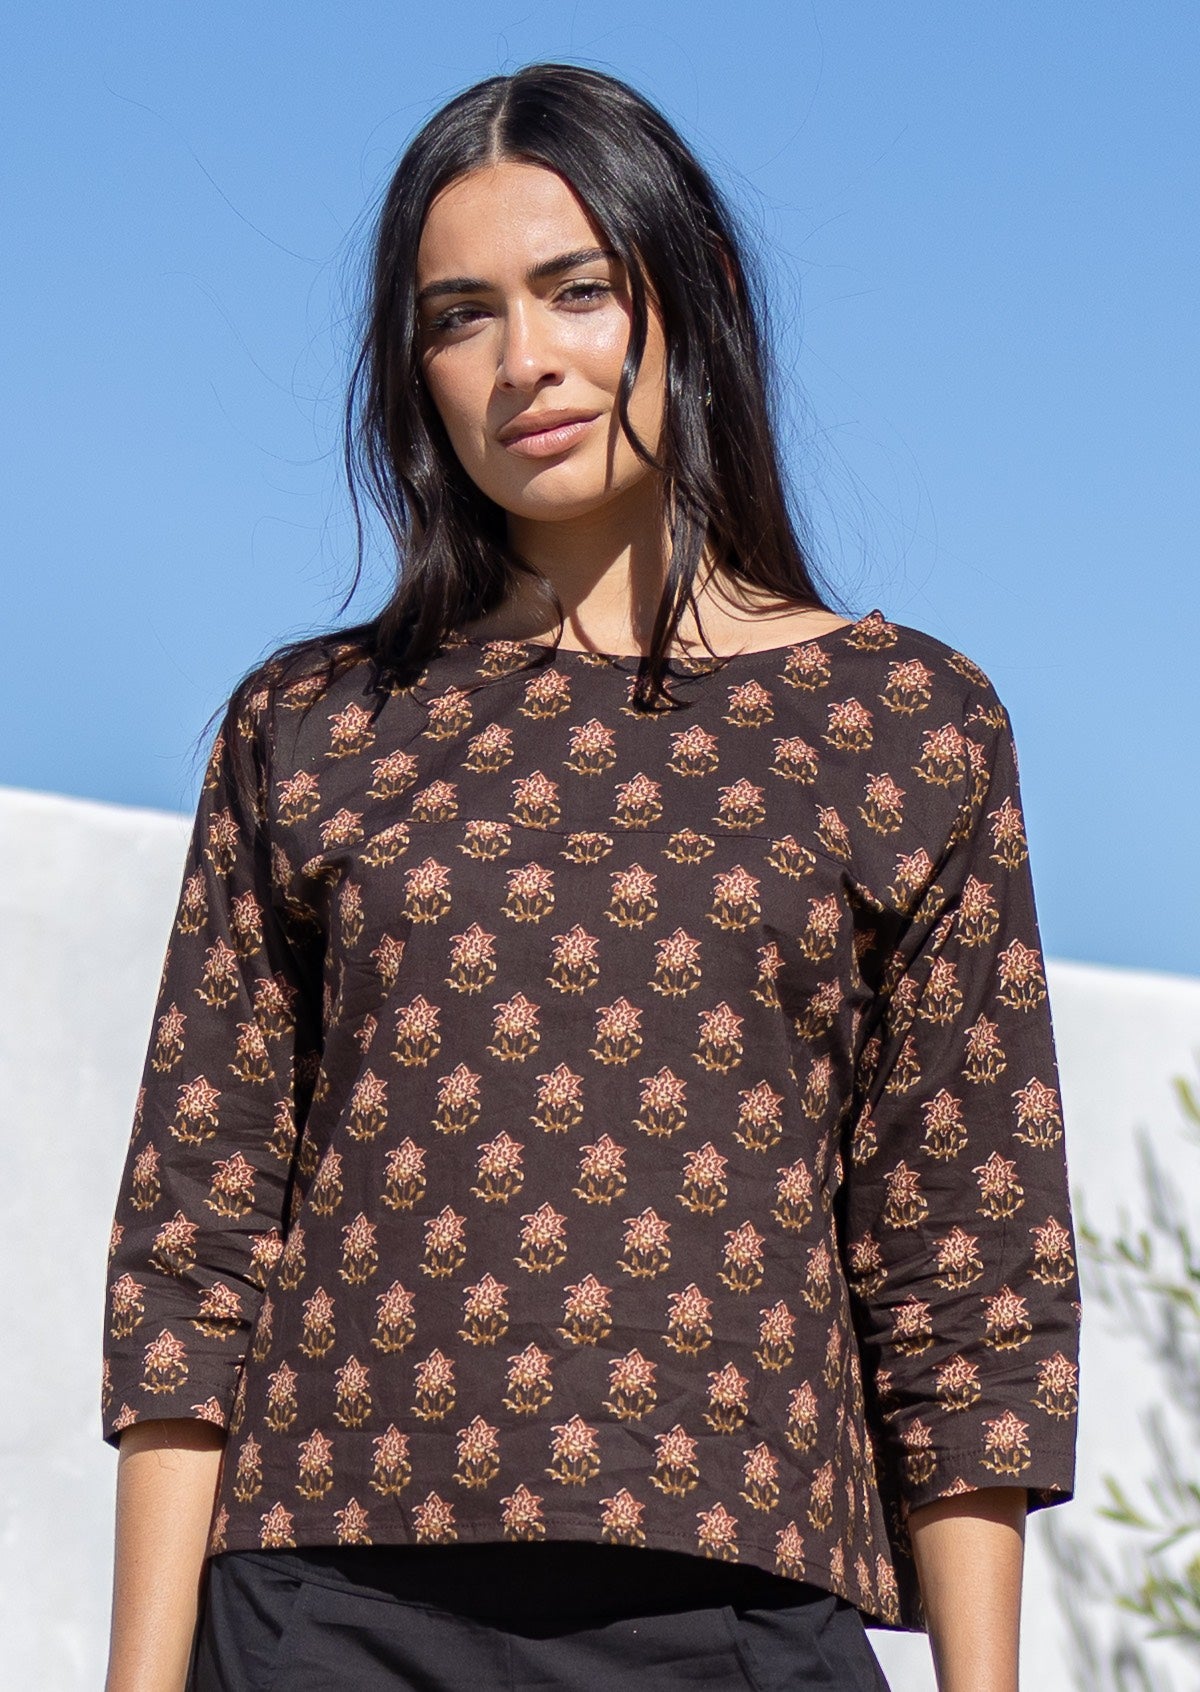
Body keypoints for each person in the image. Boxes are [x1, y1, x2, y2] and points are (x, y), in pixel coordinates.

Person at [101, 61, 1081, 1692]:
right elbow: (191, 1253)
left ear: (685, 297)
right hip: (327, 1606)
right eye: (459, 316)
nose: (523, 361)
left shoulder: (906, 725)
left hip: (741, 1610)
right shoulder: (313, 726)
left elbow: (969, 1267)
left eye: (577, 291)